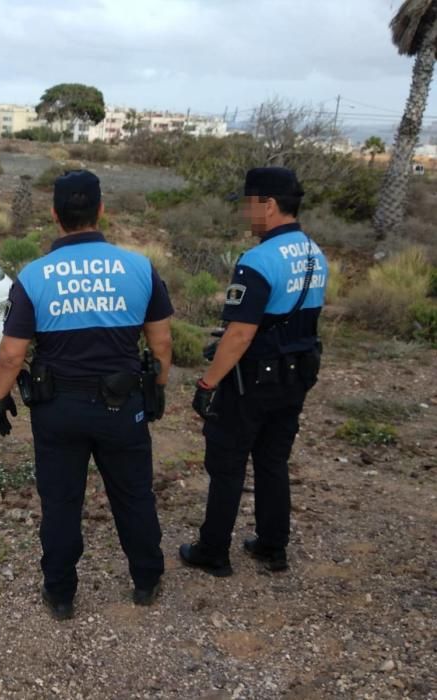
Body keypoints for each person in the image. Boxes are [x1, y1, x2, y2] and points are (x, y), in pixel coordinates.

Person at [0, 170, 174, 620]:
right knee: (133, 495)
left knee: (61, 502)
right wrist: (158, 389)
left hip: (58, 411)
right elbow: (162, 344)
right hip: (122, 406)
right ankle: (147, 580)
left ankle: (61, 593)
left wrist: (0, 398)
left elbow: (13, 354)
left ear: (54, 215)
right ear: (101, 211)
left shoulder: (33, 276)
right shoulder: (139, 268)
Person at [180, 166, 327, 577]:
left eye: (249, 204)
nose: (246, 213)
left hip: (253, 381)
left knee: (227, 464)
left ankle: (213, 550)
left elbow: (241, 333)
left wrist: (209, 380)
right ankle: (272, 545)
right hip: (296, 376)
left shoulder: (258, 260)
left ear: (270, 204)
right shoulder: (315, 252)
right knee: (273, 460)